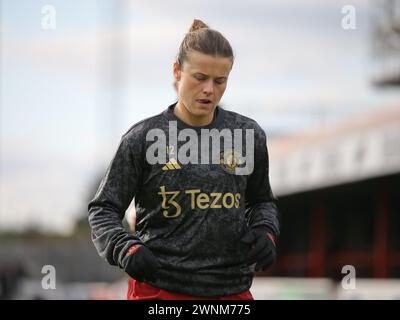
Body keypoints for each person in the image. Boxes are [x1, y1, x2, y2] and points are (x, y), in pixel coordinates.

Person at [88, 19, 280, 300]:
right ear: (177, 71)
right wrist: (124, 246)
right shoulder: (142, 138)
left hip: (231, 293)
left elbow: (262, 201)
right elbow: (103, 209)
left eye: (220, 80)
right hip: (158, 292)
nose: (209, 90)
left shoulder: (248, 135)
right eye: (200, 77)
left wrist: (266, 230)